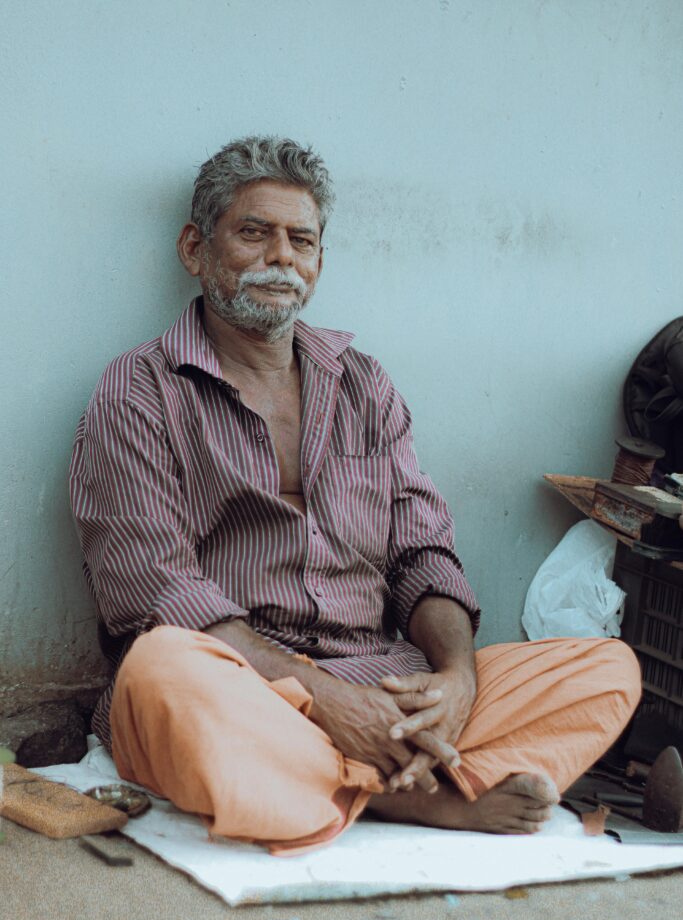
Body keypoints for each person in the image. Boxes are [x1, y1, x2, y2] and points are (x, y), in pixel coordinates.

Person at [69, 136, 641, 854]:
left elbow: (422, 554)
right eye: (254, 232)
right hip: (249, 688)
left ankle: (341, 784)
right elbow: (158, 592)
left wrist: (456, 678)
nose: (281, 256)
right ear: (195, 249)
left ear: (317, 261)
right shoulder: (137, 391)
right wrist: (326, 703)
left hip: (383, 683)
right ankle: (422, 797)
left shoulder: (362, 384)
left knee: (603, 667)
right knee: (162, 670)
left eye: (300, 239)